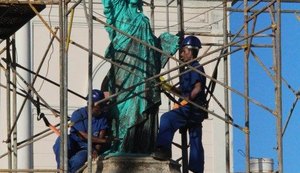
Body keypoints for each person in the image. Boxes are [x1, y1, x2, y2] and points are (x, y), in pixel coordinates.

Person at [101, 0, 178, 154]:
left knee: (143, 100)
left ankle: (141, 145)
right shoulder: (119, 12)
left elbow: (152, 47)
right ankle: (122, 143)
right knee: (124, 104)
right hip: (125, 67)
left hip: (144, 71)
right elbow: (108, 6)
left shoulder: (143, 19)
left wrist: (166, 43)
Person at [152, 35, 206, 173]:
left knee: (167, 118)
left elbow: (197, 88)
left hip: (193, 109)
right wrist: (168, 87)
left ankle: (163, 150)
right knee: (195, 137)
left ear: (191, 51)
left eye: (183, 51)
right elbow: (184, 91)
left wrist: (183, 102)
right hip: (192, 108)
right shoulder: (187, 69)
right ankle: (196, 167)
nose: (181, 54)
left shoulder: (195, 67)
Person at [53, 89, 112, 173]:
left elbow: (100, 137)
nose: (100, 110)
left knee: (78, 161)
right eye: (98, 107)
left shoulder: (102, 118)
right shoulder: (78, 114)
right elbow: (82, 135)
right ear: (90, 105)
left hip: (86, 148)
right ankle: (61, 169)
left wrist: (96, 150)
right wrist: (105, 140)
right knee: (61, 141)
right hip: (73, 142)